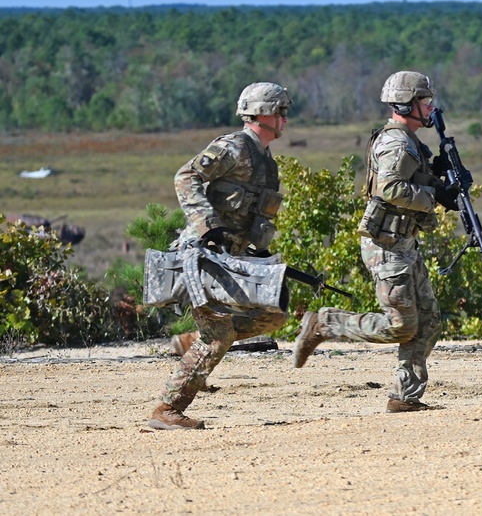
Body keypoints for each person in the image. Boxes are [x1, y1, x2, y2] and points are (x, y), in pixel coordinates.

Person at [292, 70, 459, 413]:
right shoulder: (396, 143)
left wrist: (440, 179)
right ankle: (323, 323)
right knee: (401, 326)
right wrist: (435, 195)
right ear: (405, 105)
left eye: (429, 102)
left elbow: (410, 181)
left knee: (427, 322)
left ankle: (404, 397)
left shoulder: (410, 141)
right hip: (386, 246)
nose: (430, 108)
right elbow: (390, 188)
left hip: (404, 242)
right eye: (424, 102)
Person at [148, 81, 292, 430]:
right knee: (220, 336)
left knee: (271, 316)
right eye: (281, 111)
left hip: (233, 260)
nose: (286, 119)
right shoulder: (235, 147)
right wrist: (206, 226)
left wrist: (258, 251)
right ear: (262, 114)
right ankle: (168, 410)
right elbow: (186, 176)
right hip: (203, 257)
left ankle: (191, 343)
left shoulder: (265, 160)